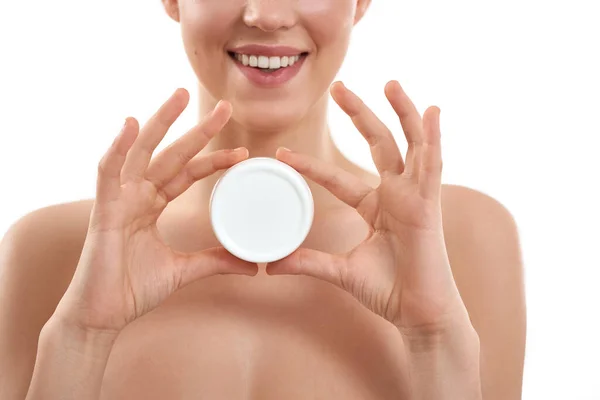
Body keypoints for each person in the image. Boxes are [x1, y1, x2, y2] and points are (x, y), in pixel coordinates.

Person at [0, 1, 526, 399]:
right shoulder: (51, 252)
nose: (267, 15)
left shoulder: (463, 239)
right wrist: (82, 337)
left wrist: (435, 338)